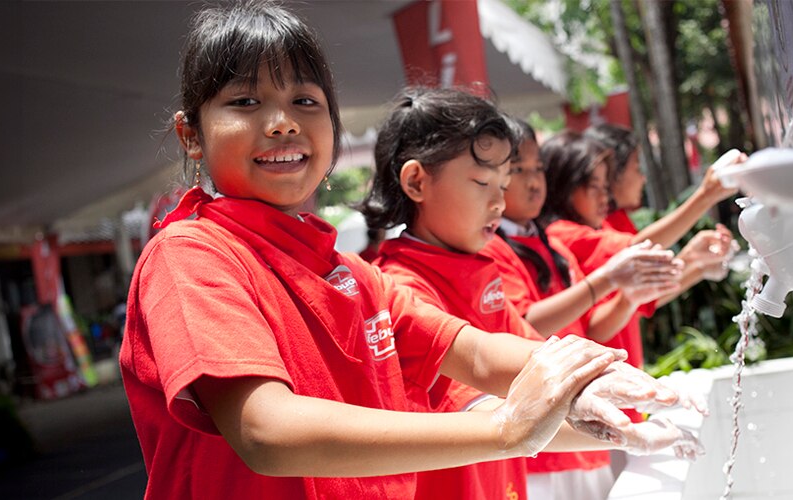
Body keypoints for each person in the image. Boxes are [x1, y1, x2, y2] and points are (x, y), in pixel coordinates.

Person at [120, 3, 685, 498]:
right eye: (244, 101)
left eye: (305, 100)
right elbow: (265, 431)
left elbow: (483, 355)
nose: (282, 123)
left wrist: (601, 382)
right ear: (191, 134)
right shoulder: (191, 253)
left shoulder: (349, 271)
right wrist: (506, 427)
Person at [360, 87, 704, 499]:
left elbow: (540, 376)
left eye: (503, 184)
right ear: (417, 181)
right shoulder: (399, 286)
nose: (499, 202)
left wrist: (627, 425)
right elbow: (492, 402)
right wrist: (626, 431)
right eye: (483, 181)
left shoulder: (481, 267)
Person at [482, 118, 685, 499]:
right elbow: (526, 326)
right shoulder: (495, 249)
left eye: (538, 168)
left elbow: (593, 329)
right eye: (516, 170)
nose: (532, 181)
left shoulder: (552, 248)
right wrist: (606, 281)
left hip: (579, 432)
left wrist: (626, 295)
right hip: (541, 448)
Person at [541, 131, 738, 367]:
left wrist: (695, 263)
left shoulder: (596, 225)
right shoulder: (563, 234)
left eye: (605, 185)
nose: (605, 195)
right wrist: (705, 195)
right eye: (636, 168)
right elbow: (636, 252)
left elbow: (635, 297)